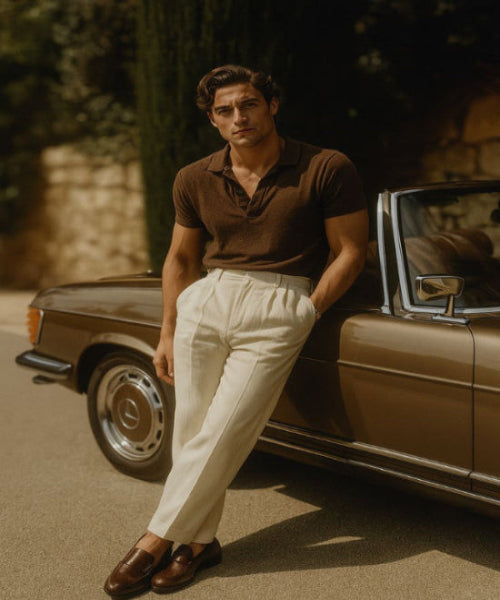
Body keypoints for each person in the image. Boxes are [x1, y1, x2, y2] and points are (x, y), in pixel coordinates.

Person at [104, 64, 368, 597]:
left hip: (280, 303)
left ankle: (154, 539)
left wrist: (308, 311)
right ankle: (199, 544)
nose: (238, 117)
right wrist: (167, 331)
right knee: (191, 431)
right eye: (224, 110)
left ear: (272, 105)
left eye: (248, 104)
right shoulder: (193, 177)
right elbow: (181, 259)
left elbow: (350, 250)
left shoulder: (325, 166)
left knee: (225, 430)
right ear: (213, 120)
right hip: (208, 299)